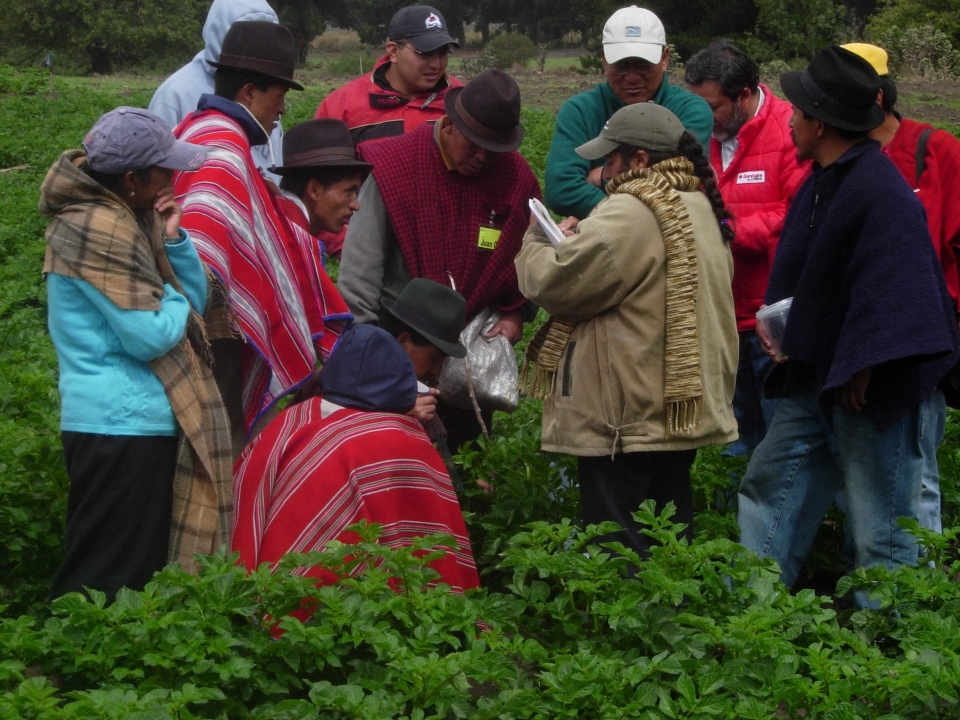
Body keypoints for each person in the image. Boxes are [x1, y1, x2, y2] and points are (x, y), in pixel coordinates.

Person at [736, 47, 959, 608]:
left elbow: (899, 293)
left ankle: (895, 654)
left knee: (881, 522)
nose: (789, 118)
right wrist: (788, 325)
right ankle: (746, 618)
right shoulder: (828, 179)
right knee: (771, 482)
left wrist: (866, 362)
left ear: (821, 123)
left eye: (800, 110)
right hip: (822, 378)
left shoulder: (878, 191)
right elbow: (823, 276)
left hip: (869, 389)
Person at [516, 103, 739, 558]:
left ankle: (626, 630)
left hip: (626, 413)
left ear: (639, 160)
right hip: (675, 407)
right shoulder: (696, 203)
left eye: (609, 160)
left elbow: (557, 282)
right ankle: (673, 627)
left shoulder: (632, 211)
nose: (601, 171)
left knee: (617, 548)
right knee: (668, 543)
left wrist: (538, 238)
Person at [41, 107, 233, 599]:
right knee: (104, 569)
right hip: (116, 421)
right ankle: (72, 668)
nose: (172, 177)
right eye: (163, 169)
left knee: (137, 565)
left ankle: (103, 666)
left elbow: (194, 298)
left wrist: (174, 239)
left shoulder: (132, 221)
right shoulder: (94, 227)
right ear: (132, 178)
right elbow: (148, 334)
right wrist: (172, 300)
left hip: (139, 420)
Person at [174, 21, 351, 459]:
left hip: (193, 341)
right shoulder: (225, 149)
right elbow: (201, 248)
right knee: (224, 457)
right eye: (280, 95)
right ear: (250, 92)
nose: (282, 110)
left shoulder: (196, 129)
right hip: (211, 344)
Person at [338, 69, 541, 450]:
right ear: (449, 124)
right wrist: (372, 363)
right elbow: (358, 278)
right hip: (398, 350)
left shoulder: (514, 178)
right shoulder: (396, 166)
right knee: (396, 462)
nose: (482, 158)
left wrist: (517, 314)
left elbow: (532, 254)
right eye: (474, 144)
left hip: (466, 363)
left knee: (465, 471)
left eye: (493, 150)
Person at [232, 323, 480, 596]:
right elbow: (432, 543)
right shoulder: (396, 438)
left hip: (247, 587)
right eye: (434, 359)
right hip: (332, 608)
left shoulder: (293, 417)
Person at [842, 42, 960, 535]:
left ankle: (921, 592)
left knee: (918, 467)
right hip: (858, 334)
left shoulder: (935, 149)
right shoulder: (834, 157)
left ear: (875, 97)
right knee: (867, 468)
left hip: (922, 332)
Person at [684, 40, 811, 456]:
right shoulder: (703, 135)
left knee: (780, 443)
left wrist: (727, 229)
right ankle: (732, 519)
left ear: (743, 94)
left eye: (714, 107)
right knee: (731, 439)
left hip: (770, 315)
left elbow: (799, 215)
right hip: (721, 312)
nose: (705, 118)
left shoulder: (791, 130)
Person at [544, 5, 713, 220]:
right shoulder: (579, 111)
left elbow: (682, 184)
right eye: (621, 65)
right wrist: (628, 217)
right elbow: (560, 190)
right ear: (604, 60)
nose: (632, 77)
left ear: (665, 58)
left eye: (643, 65)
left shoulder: (692, 110)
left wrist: (601, 178)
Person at [149, 0, 284, 182]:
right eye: (245, 35)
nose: (257, 45)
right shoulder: (176, 94)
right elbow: (156, 174)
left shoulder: (267, 94)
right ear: (220, 32)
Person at [314, 5, 463, 147]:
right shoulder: (341, 106)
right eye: (425, 53)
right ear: (393, 52)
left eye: (443, 53)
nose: (436, 64)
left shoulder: (464, 102)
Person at [271, 118, 372, 239]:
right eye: (349, 191)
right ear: (314, 190)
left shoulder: (285, 225)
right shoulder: (283, 238)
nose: (356, 205)